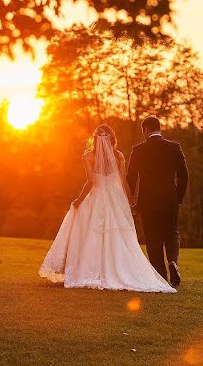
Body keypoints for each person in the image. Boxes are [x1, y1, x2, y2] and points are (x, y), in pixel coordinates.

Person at [39, 124, 175, 293]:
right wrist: (131, 202)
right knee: (117, 236)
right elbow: (124, 182)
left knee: (90, 234)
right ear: (112, 139)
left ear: (95, 139)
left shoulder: (88, 156)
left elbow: (91, 182)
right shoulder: (118, 156)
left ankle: (91, 270)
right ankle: (118, 270)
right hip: (115, 200)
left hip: (96, 198)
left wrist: (78, 200)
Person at [127, 116, 188, 285]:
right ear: (159, 128)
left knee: (153, 239)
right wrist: (178, 198)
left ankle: (161, 277)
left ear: (146, 130)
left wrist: (132, 200)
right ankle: (173, 262)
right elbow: (184, 175)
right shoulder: (174, 148)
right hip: (170, 200)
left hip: (147, 201)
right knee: (172, 233)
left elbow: (130, 177)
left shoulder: (138, 150)